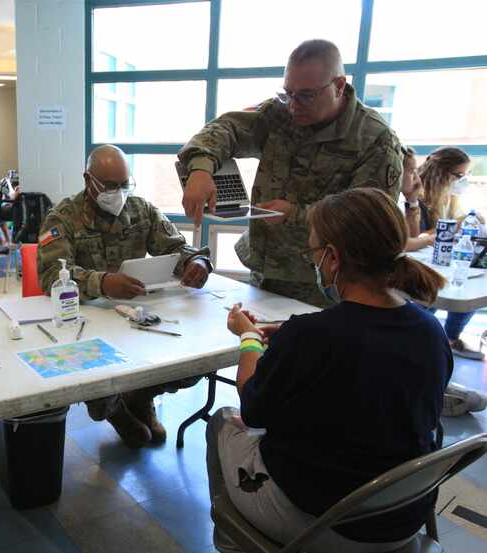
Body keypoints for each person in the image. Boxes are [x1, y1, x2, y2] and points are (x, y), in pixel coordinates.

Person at [207, 187, 451, 553]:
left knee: (223, 422)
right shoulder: (430, 330)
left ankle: (237, 538)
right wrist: (291, 340)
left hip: (327, 523)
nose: (314, 260)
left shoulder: (311, 336)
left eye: (314, 251)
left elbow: (253, 409)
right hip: (403, 515)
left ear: (333, 258)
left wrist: (249, 338)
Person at [178, 39, 403, 308]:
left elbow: (369, 223)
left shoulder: (375, 139)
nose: (294, 104)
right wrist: (201, 168)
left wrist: (295, 215)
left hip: (325, 285)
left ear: (339, 86)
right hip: (265, 271)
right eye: (288, 93)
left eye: (306, 95)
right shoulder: (281, 112)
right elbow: (227, 128)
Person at [37, 144, 212, 448]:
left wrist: (196, 261)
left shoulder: (141, 209)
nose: (118, 192)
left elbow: (174, 247)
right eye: (109, 185)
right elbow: (51, 274)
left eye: (124, 184)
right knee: (94, 376)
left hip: (134, 315)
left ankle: (141, 397)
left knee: (191, 361)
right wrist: (102, 282)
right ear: (87, 179)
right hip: (84, 320)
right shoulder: (62, 218)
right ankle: (115, 409)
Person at [403, 147, 484, 360]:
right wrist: (450, 227)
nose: (461, 180)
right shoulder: (415, 196)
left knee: (467, 289)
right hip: (417, 261)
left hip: (438, 258)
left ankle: (449, 338)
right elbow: (414, 238)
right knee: (432, 296)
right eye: (458, 175)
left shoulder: (449, 198)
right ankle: (420, 339)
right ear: (441, 171)